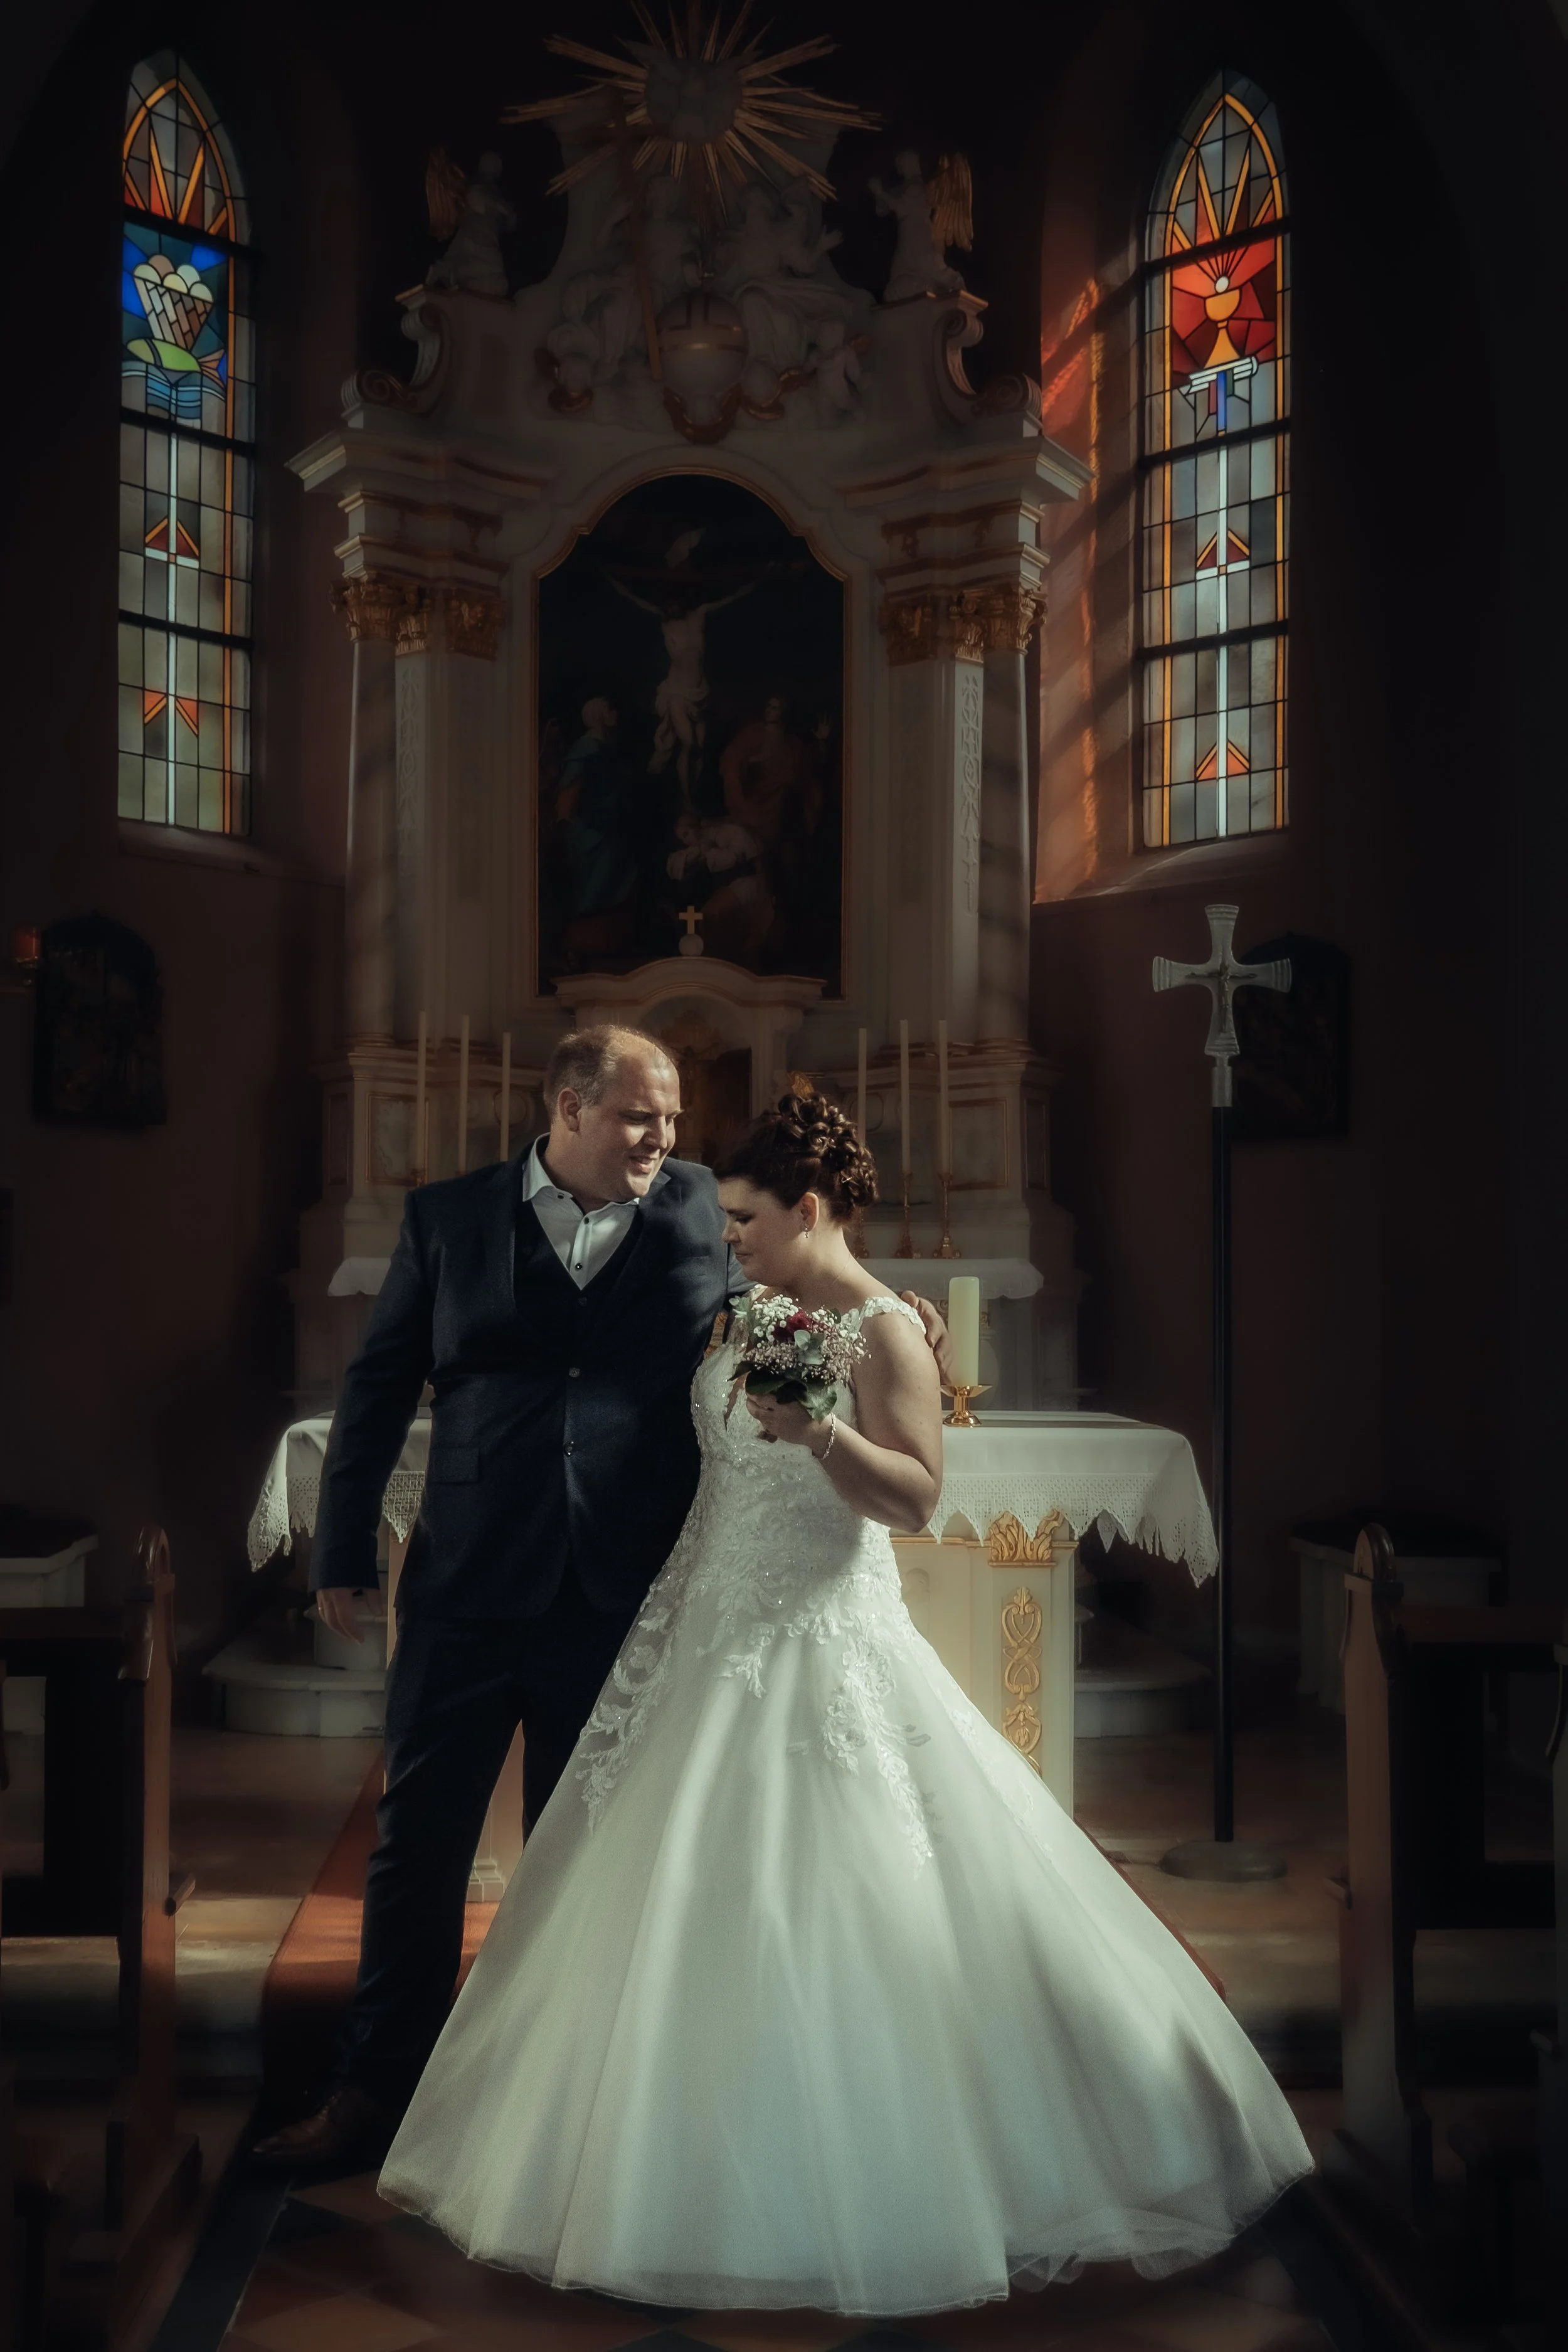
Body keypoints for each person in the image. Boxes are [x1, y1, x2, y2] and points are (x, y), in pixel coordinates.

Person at [378, 1091, 1315, 2312]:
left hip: (822, 1648)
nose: (729, 1241)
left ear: (809, 1210)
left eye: (748, 1220)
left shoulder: (882, 1331)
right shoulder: (744, 1310)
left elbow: (919, 1498)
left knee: (833, 1909)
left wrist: (820, 1432)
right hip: (700, 1645)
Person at [255, 1035, 950, 2169]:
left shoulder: (703, 1211)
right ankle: (373, 2094)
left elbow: (809, 1281)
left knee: (582, 1849)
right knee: (416, 1846)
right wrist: (340, 1548)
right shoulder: (448, 1219)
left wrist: (900, 1315)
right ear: (568, 1109)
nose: (666, 1141)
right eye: (642, 1118)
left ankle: (554, 2105)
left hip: (624, 1585)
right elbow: (379, 1386)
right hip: (468, 1584)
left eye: (672, 1120)